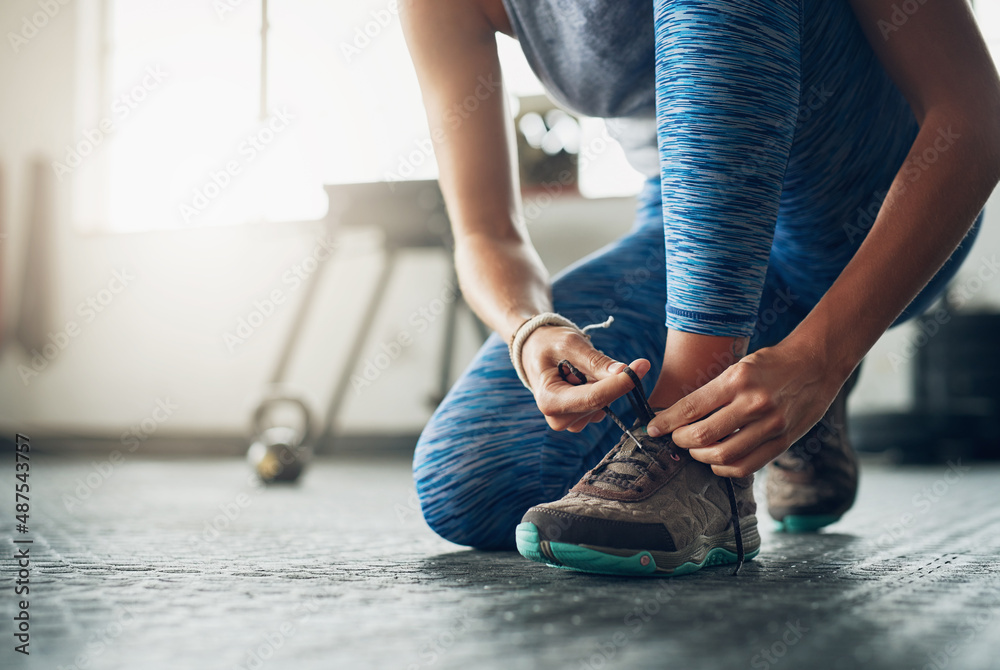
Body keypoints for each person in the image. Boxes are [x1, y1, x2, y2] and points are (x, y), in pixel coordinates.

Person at [400, 0, 1000, 576]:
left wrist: (824, 357)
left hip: (860, 209)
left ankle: (692, 450)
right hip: (686, 230)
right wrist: (529, 329)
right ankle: (764, 388)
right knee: (469, 483)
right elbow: (486, 234)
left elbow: (976, 118)